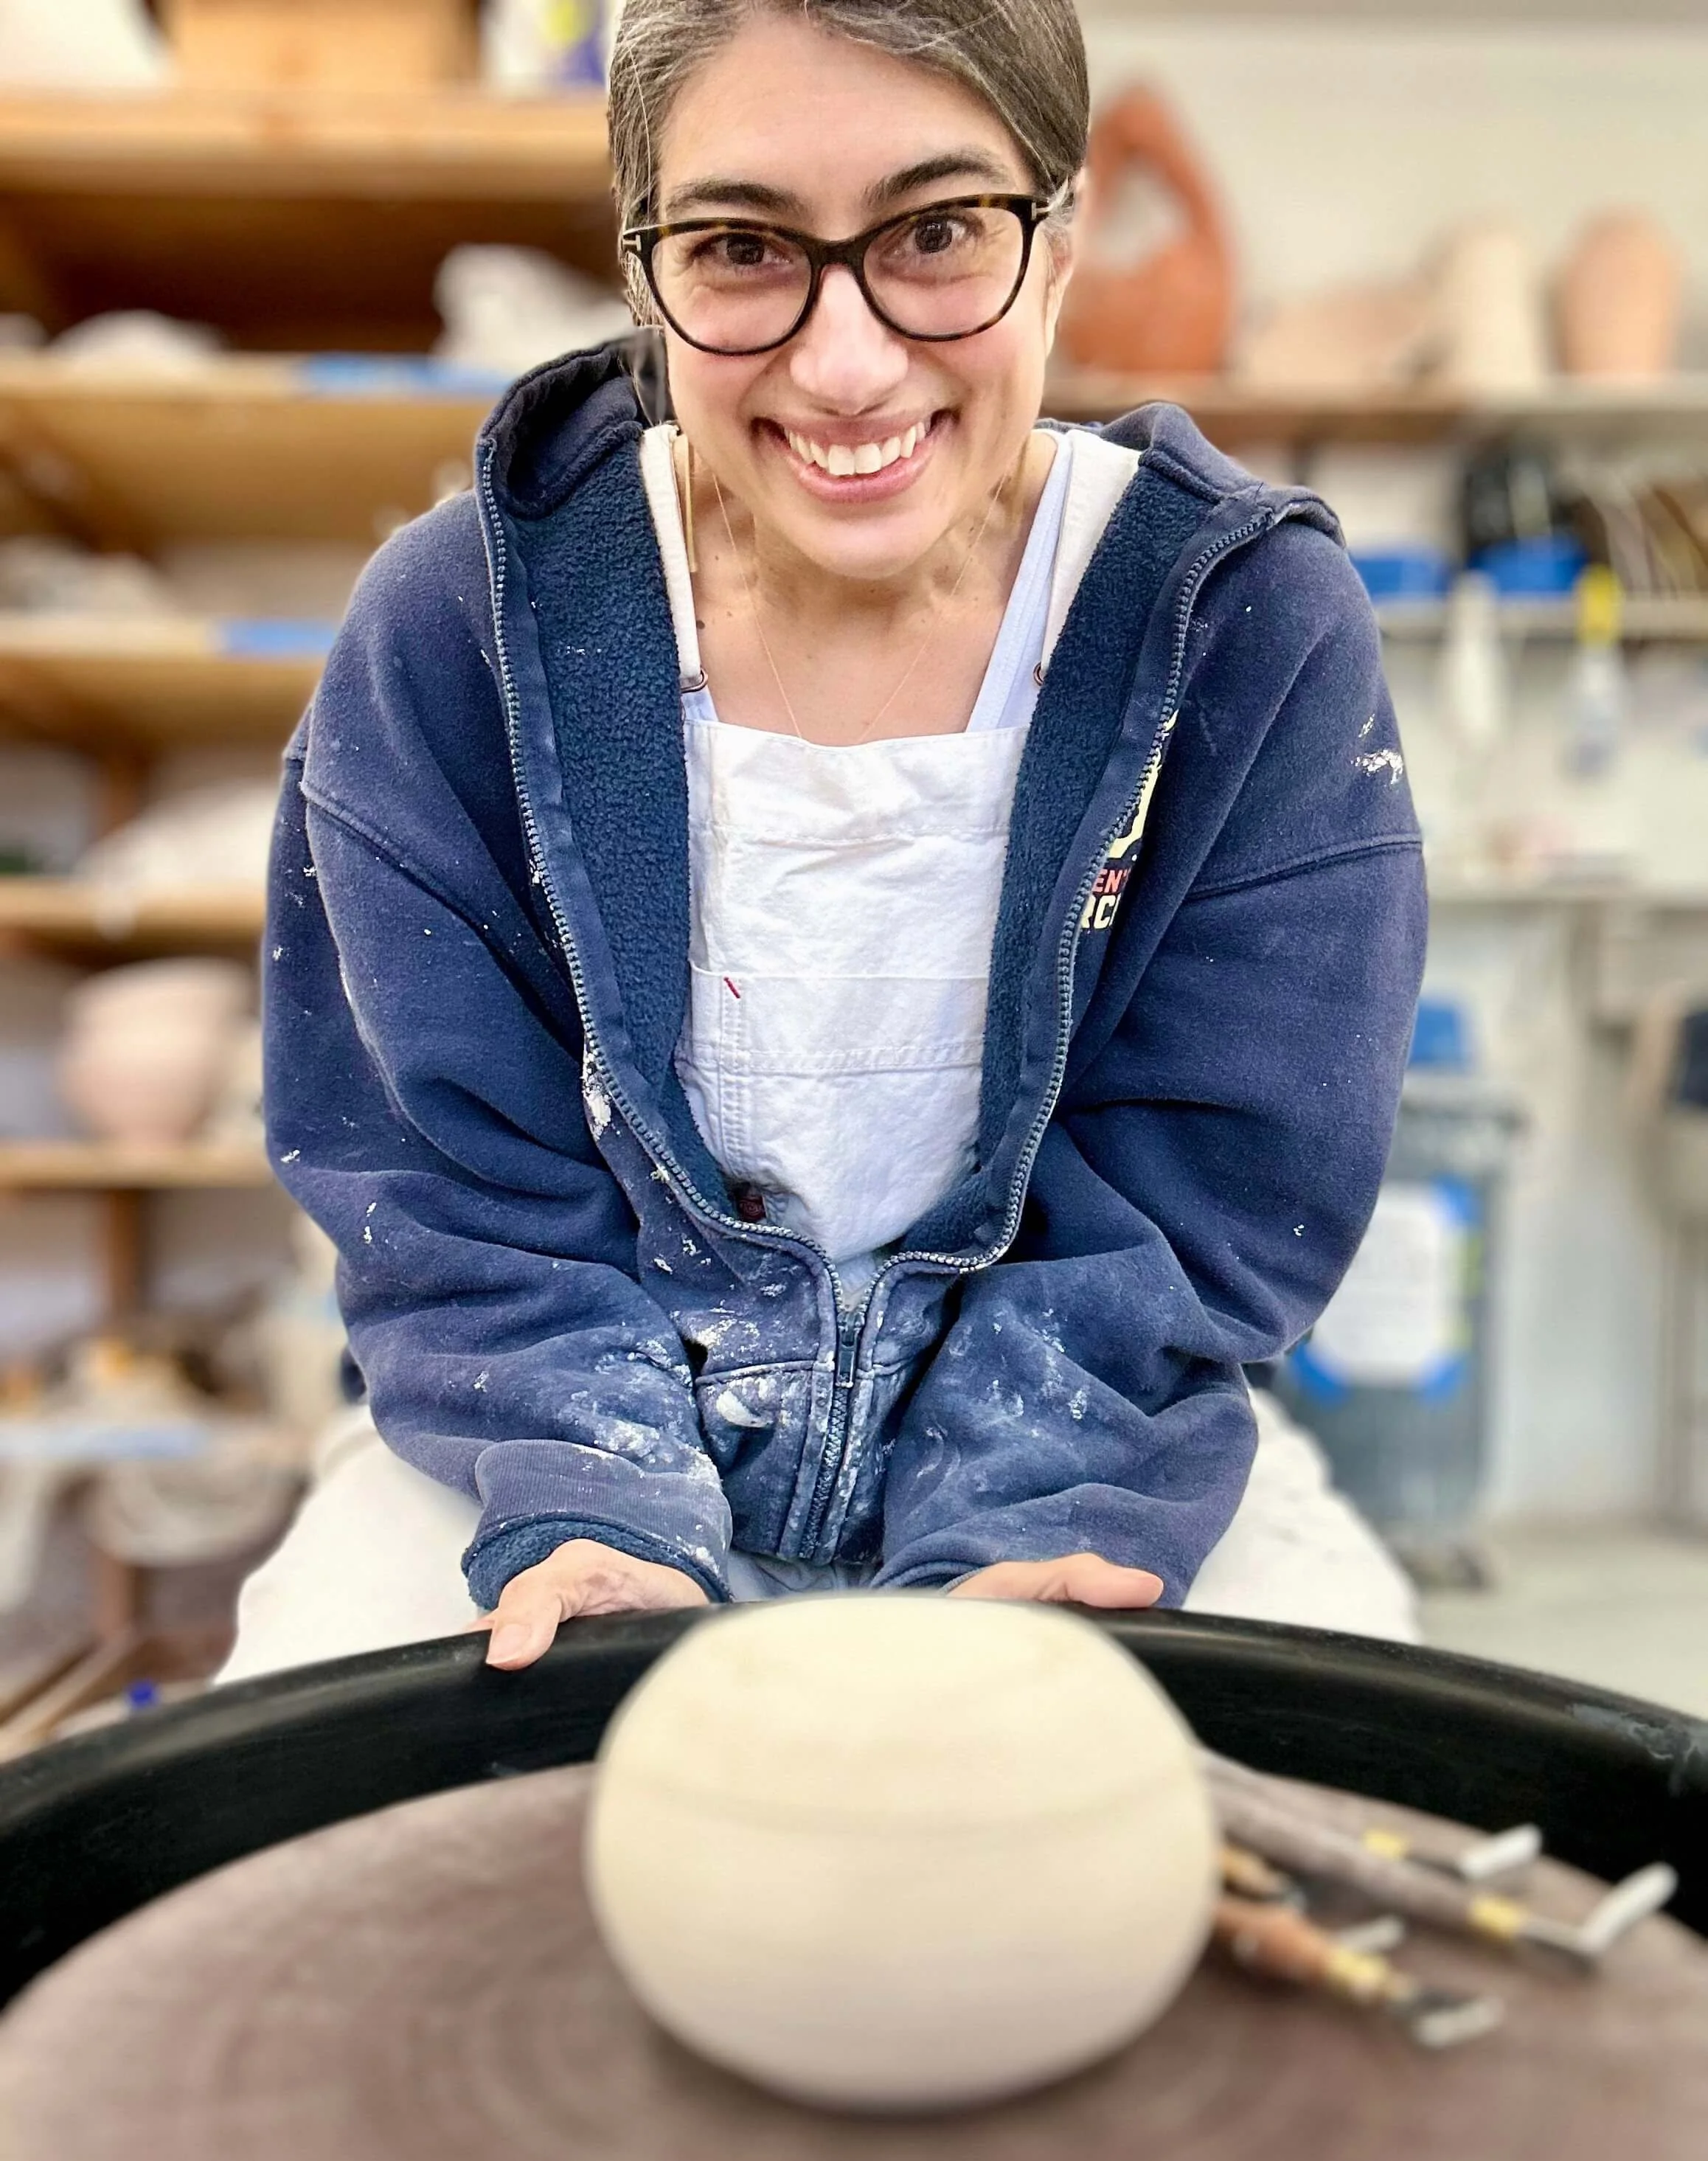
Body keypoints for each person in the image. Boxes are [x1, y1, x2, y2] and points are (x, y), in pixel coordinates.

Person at [223, 0, 1424, 1685]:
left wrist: (1031, 1514)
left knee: (1325, 1808)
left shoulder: (1240, 627)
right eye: (740, 248)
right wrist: (599, 1496)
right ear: (648, 277)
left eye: (937, 233)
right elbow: (444, 1176)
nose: (846, 362)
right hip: (561, 1422)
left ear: (1059, 242)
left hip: (1080, 1427)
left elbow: (1206, 1198)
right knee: (329, 1825)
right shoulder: (462, 625)